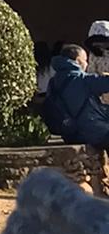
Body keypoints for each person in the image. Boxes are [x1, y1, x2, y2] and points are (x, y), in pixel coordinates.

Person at [41, 44, 109, 197]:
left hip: (70, 133)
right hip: (93, 132)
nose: (87, 64)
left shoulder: (54, 82)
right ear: (78, 61)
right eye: (85, 60)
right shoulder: (82, 79)